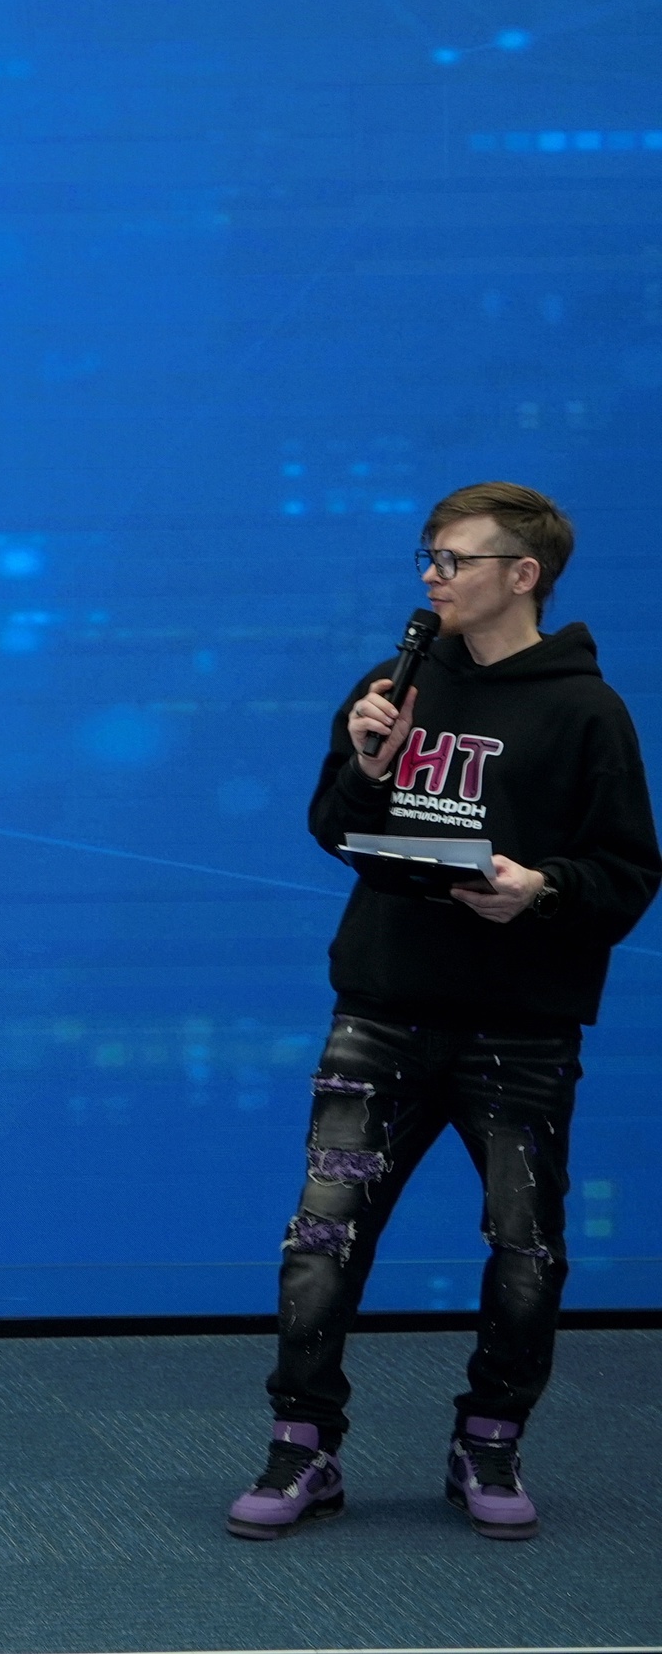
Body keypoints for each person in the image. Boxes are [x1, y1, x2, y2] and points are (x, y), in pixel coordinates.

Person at [227, 482, 658, 1543]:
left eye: (454, 559)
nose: (432, 576)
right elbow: (334, 827)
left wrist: (541, 890)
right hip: (381, 1008)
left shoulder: (586, 711)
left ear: (524, 573)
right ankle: (302, 1444)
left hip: (520, 1027)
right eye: (427, 556)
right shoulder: (394, 683)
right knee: (321, 1240)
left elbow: (626, 872)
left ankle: (489, 1437)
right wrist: (366, 763)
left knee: (526, 1247)